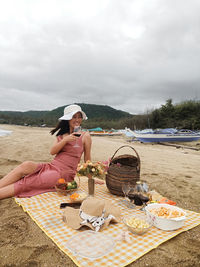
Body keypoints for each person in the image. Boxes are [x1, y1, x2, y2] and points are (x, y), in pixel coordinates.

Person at [0, 104, 104, 200]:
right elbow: (52, 152)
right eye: (74, 117)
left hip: (63, 174)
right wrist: (65, 140)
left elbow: (87, 160)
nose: (77, 119)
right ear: (68, 119)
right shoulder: (62, 135)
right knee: (25, 165)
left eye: (79, 116)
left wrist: (91, 178)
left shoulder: (85, 136)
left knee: (27, 182)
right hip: (51, 166)